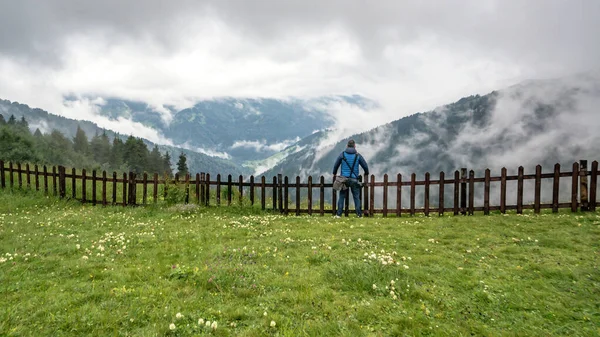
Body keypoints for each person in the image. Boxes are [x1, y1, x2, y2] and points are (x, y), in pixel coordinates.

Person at [332, 139, 369, 217]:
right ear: (355, 146)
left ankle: (338, 215)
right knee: (356, 197)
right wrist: (366, 173)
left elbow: (336, 165)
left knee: (342, 196)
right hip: (354, 179)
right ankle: (359, 214)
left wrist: (334, 173)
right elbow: (365, 166)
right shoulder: (358, 156)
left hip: (343, 179)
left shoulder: (342, 154)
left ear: (347, 146)